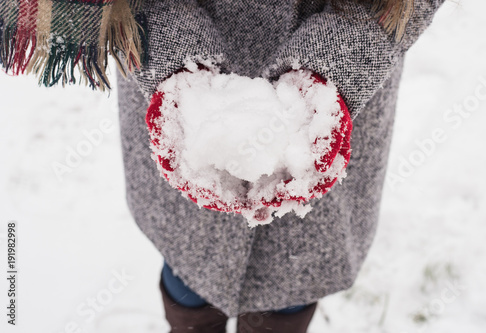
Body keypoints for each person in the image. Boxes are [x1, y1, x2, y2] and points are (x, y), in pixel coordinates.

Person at [0, 0, 446, 332]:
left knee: (293, 282)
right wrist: (168, 54)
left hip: (338, 97)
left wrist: (342, 60)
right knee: (188, 268)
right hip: (173, 90)